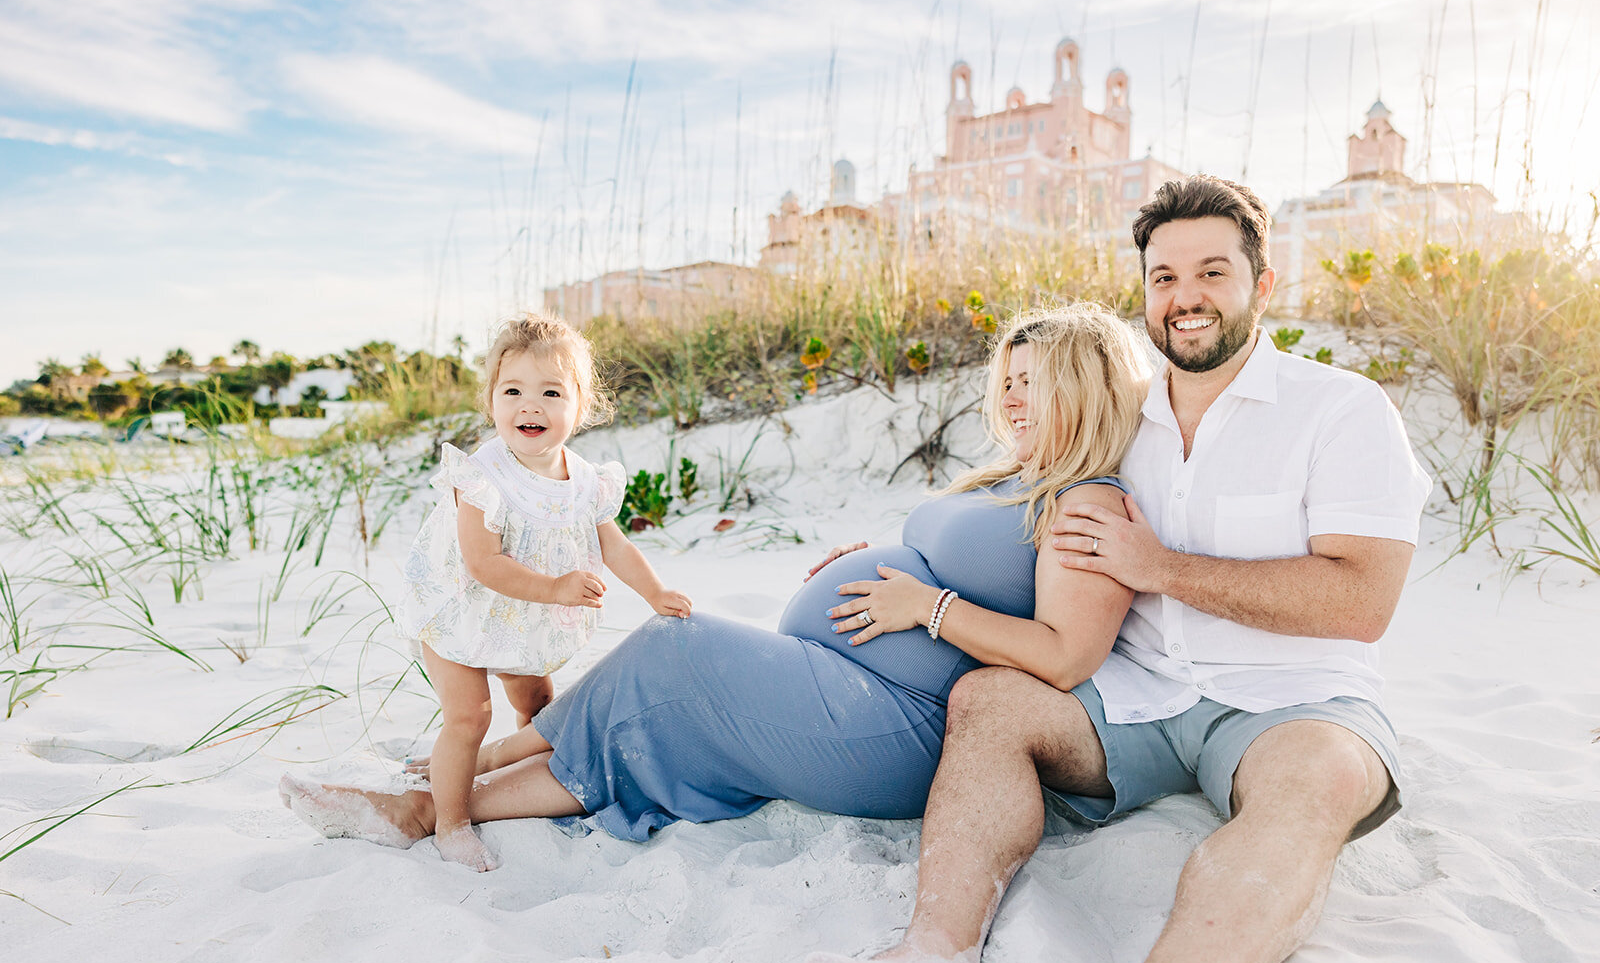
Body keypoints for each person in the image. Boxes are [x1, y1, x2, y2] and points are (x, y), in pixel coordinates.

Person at [799, 175, 1432, 963]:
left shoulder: (1342, 410)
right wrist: (888, 559)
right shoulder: (1118, 416)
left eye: (1212, 272)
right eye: (1164, 278)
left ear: (1263, 283)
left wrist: (1163, 568)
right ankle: (931, 957)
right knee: (990, 700)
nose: (1187, 298)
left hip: (1292, 700)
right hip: (1132, 698)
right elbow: (1011, 495)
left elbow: (1363, 601)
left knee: (1318, 782)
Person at [279, 303, 1148, 859]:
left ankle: (436, 806)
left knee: (673, 655)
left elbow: (1065, 655)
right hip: (854, 685)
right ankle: (475, 768)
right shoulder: (1017, 477)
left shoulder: (1088, 499)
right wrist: (878, 557)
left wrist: (927, 603)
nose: (1016, 399)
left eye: (1037, 383)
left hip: (902, 730)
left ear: (1088, 384)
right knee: (666, 687)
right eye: (1010, 381)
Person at [283, 313, 692, 872]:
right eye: (513, 391)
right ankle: (450, 822)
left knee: (538, 704)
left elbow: (615, 545)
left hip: (524, 619)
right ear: (492, 399)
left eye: (551, 392)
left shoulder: (586, 480)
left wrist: (655, 592)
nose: (530, 406)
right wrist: (556, 587)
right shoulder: (482, 476)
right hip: (461, 614)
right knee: (469, 717)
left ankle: (512, 782)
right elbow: (482, 564)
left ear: (581, 402)